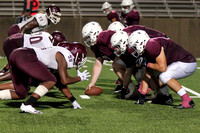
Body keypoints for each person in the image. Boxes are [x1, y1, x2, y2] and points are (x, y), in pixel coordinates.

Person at [0, 43, 90, 114]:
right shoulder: (63, 56)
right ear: (77, 55)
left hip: (17, 53)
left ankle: (26, 104)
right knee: (50, 80)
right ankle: (27, 105)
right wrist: (80, 78)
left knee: (21, 93)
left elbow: (60, 82)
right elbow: (65, 80)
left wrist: (73, 100)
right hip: (26, 55)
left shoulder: (58, 53)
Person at [128, 30, 197, 109]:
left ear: (140, 42)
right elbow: (147, 74)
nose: (134, 50)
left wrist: (147, 64)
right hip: (182, 62)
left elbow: (163, 68)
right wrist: (142, 96)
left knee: (164, 76)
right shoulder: (148, 48)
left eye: (134, 47)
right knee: (158, 78)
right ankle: (165, 97)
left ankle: (187, 100)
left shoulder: (151, 45)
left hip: (187, 62)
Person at [110, 27, 174, 104]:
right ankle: (159, 94)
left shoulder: (132, 49)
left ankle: (166, 96)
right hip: (155, 53)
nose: (115, 49)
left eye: (117, 46)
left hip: (164, 52)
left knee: (154, 73)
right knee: (143, 73)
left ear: (122, 42)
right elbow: (128, 71)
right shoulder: (127, 51)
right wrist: (124, 89)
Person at [82, 21, 137, 99]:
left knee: (117, 64)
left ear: (94, 33)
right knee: (117, 64)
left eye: (88, 37)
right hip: (126, 59)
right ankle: (131, 88)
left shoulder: (105, 37)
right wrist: (92, 83)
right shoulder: (95, 46)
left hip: (132, 55)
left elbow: (122, 51)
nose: (87, 39)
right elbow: (98, 64)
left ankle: (133, 89)